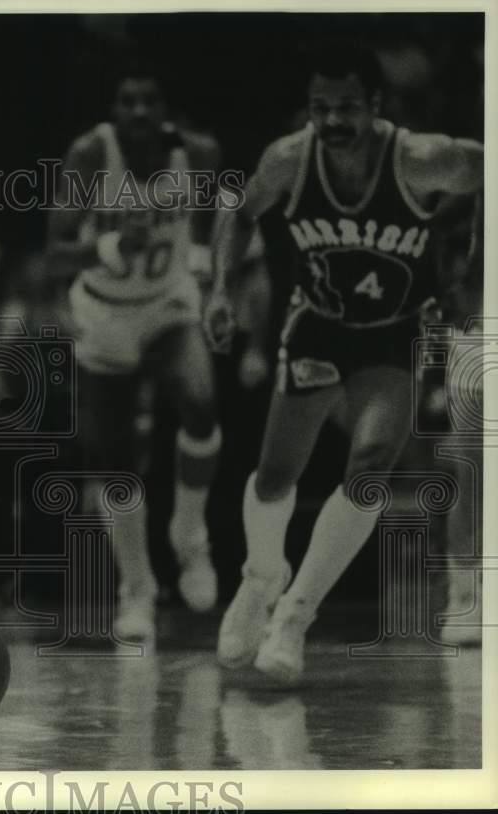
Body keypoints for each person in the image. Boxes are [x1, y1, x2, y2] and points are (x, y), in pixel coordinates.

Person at [206, 42, 483, 683]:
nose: (332, 121)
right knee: (276, 477)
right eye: (320, 108)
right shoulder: (287, 159)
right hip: (318, 329)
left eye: (347, 108)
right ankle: (260, 578)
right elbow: (239, 214)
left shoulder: (421, 157)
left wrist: (476, 266)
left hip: (390, 334)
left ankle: (295, 618)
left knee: (371, 465)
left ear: (376, 107)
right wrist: (220, 289)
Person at [47, 63, 224, 639]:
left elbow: (212, 225)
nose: (140, 112)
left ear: (165, 107)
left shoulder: (197, 151)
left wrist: (205, 265)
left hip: (168, 305)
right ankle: (138, 589)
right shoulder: (89, 154)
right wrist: (110, 244)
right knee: (113, 456)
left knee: (200, 403)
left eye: (150, 100)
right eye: (128, 101)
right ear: (115, 109)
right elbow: (55, 250)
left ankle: (190, 538)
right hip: (104, 311)